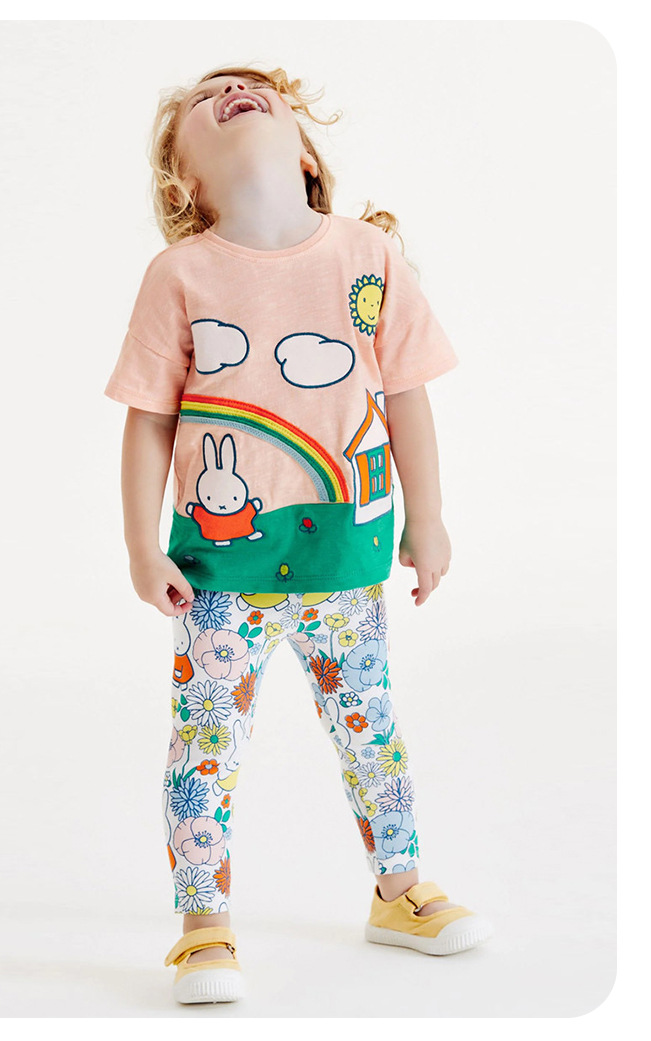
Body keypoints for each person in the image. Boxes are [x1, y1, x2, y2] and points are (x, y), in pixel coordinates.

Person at [104, 64, 492, 1005]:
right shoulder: (179, 275)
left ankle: (399, 892)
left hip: (346, 562)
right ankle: (203, 928)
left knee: (373, 732)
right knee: (205, 747)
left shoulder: (368, 256)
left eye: (254, 88)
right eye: (207, 99)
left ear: (307, 155)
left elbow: (407, 396)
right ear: (183, 183)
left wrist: (429, 517)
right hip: (216, 575)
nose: (232, 91)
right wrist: (141, 545)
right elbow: (150, 419)